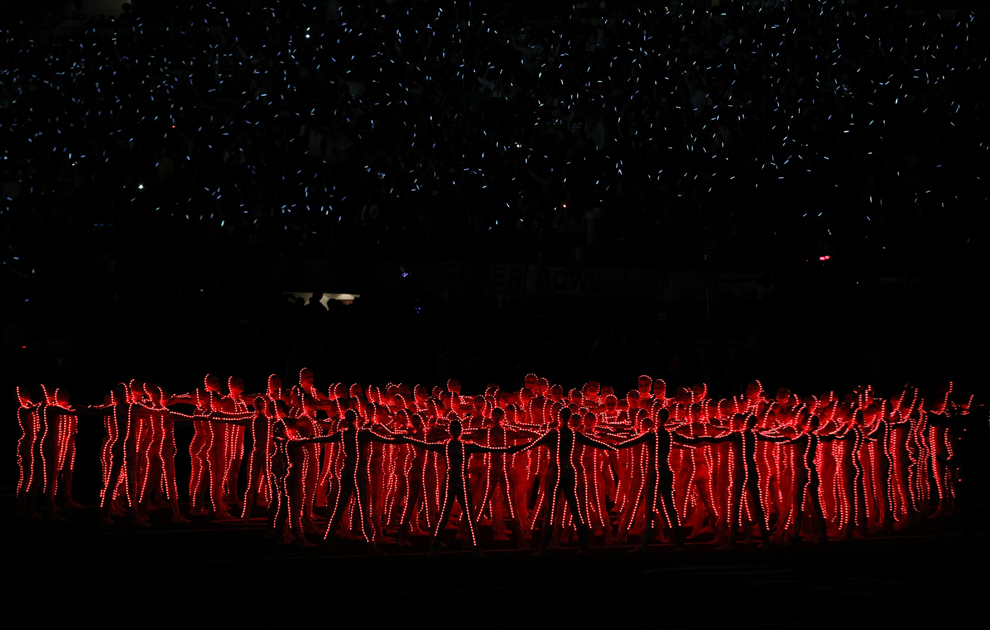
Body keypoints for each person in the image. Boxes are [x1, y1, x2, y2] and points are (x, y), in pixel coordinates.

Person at [402, 414, 518, 557]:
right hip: (459, 482)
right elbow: (488, 449)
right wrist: (507, 449)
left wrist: (406, 439)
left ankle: (438, 547)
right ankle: (473, 548)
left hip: (453, 482)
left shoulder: (448, 446)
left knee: (449, 516)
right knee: (465, 516)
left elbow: (425, 445)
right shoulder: (464, 446)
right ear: (459, 431)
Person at [518, 407, 617, 555]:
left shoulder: (555, 434)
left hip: (556, 472)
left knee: (552, 511)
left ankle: (544, 548)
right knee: (575, 510)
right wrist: (613, 447)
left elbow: (532, 444)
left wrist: (512, 449)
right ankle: (582, 546)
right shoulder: (573, 434)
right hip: (569, 471)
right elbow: (595, 443)